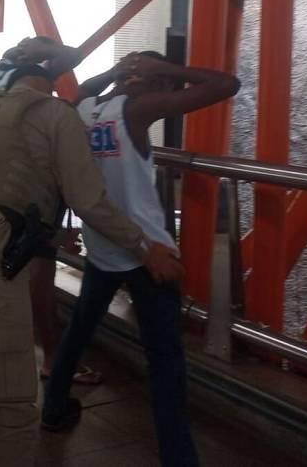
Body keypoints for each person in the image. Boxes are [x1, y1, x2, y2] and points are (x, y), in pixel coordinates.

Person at [0, 63, 184, 466]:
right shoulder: (54, 113)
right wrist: (146, 249)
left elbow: (0, 179)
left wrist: (52, 234)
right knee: (9, 397)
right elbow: (88, 199)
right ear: (48, 86)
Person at [42, 52, 240, 466]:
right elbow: (226, 84)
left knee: (79, 331)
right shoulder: (136, 109)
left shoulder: (87, 109)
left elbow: (79, 92)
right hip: (149, 253)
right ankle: (178, 458)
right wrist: (168, 71)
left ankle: (54, 407)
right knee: (165, 359)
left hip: (103, 243)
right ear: (153, 82)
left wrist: (116, 74)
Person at [0, 37, 104, 384]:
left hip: (5, 182)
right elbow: (74, 56)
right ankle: (53, 357)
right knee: (40, 274)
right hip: (32, 187)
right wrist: (41, 52)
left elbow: (76, 88)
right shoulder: (19, 72)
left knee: (11, 270)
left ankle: (9, 350)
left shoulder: (1, 74)